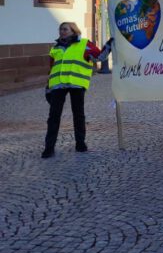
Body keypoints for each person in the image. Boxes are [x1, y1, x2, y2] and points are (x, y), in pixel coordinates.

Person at [42, 22, 112, 158]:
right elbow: (52, 69)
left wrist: (109, 45)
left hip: (76, 83)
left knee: (78, 114)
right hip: (58, 85)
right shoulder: (55, 47)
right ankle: (48, 148)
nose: (62, 32)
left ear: (73, 31)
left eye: (65, 29)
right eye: (60, 29)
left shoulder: (85, 44)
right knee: (53, 117)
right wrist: (48, 87)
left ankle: (80, 144)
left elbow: (100, 57)